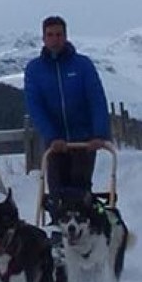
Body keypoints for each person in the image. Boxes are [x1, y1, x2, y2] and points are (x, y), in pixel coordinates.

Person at [23, 14, 111, 224]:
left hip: (83, 140)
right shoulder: (34, 70)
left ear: (66, 36)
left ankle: (87, 232)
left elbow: (96, 98)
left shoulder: (82, 66)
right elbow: (35, 106)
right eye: (50, 35)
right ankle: (57, 236)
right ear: (43, 38)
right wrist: (52, 135)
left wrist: (99, 134)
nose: (55, 39)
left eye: (59, 34)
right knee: (57, 192)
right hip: (55, 143)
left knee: (80, 190)